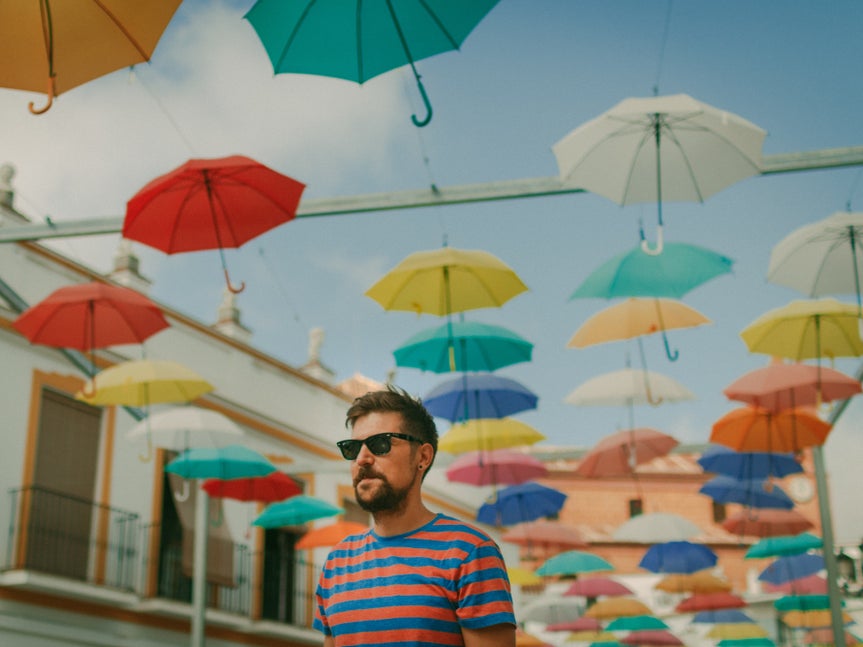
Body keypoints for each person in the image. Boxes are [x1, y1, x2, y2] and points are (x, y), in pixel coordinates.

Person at [313, 385, 516, 646]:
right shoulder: (336, 564)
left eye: (380, 444)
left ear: (422, 456)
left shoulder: (469, 552)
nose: (362, 459)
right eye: (352, 449)